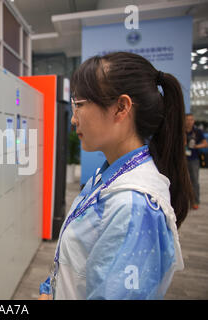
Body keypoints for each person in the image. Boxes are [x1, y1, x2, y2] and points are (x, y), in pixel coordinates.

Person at [39, 52, 192, 300]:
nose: (73, 120)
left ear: (121, 108)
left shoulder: (134, 205)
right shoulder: (110, 174)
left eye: (79, 105)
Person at [185, 113, 208, 210]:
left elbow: (205, 144)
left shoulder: (197, 131)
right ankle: (184, 202)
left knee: (194, 181)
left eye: (191, 120)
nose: (189, 122)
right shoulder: (180, 131)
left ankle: (195, 201)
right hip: (183, 160)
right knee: (184, 181)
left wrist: (196, 146)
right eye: (187, 120)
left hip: (194, 159)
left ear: (193, 121)